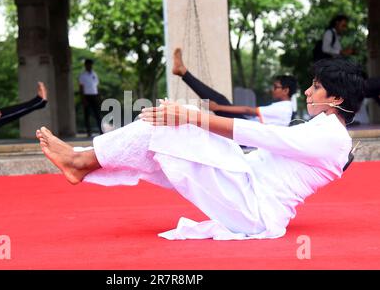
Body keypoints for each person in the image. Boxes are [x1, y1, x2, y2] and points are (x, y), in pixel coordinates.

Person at [36, 58, 364, 241]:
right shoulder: (324, 130)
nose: (307, 91)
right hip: (245, 184)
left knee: (169, 125)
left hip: (253, 210)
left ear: (335, 98)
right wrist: (188, 124)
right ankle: (83, 163)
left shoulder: (332, 136)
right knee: (169, 129)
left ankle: (79, 162)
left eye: (316, 87)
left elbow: (258, 135)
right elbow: (258, 144)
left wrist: (191, 118)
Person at [172, 48, 297, 126]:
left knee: (220, 101)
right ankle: (183, 72)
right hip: (248, 128)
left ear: (286, 90)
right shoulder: (284, 108)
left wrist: (218, 107)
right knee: (221, 100)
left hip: (247, 132)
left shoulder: (283, 108)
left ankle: (183, 72)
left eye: (276, 87)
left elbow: (248, 110)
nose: (272, 90)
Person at [78, 59, 103, 137]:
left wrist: (99, 96)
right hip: (87, 96)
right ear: (85, 65)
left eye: (90, 64)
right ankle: (89, 132)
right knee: (87, 115)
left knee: (97, 114)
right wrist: (83, 98)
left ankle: (101, 130)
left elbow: (96, 86)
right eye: (88, 64)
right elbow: (81, 87)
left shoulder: (94, 74)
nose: (89, 66)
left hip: (94, 95)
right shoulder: (82, 75)